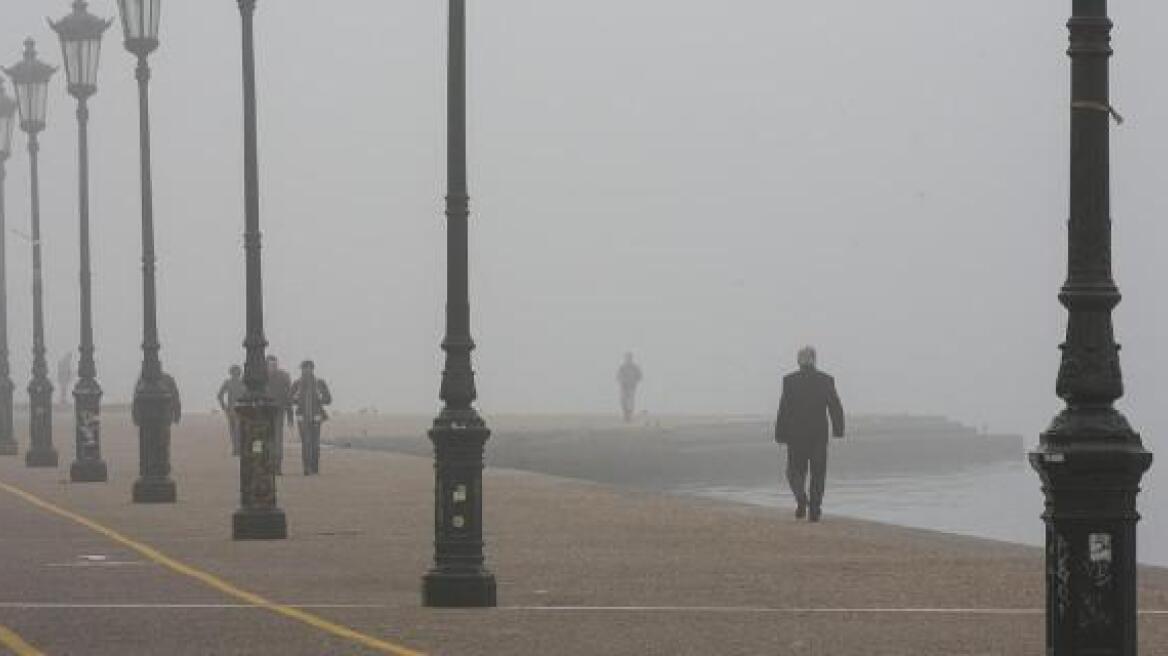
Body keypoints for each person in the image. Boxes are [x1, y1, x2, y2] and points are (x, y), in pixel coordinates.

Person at [774, 346, 844, 522]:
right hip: (818, 435)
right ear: (815, 359)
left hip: (795, 435)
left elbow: (784, 409)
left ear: (799, 360)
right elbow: (835, 406)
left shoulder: (790, 381)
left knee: (795, 472)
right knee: (818, 473)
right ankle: (814, 509)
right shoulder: (825, 380)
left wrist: (780, 433)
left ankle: (801, 499)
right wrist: (838, 429)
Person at [290, 360, 331, 475]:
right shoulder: (297, 384)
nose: (306, 371)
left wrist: (320, 398)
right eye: (304, 369)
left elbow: (328, 399)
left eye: (308, 368)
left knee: (313, 443)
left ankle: (313, 466)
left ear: (312, 369)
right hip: (302, 417)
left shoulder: (319, 383)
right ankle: (308, 467)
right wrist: (296, 399)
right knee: (307, 443)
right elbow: (290, 398)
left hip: (315, 417)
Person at [265, 355, 293, 475]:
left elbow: (289, 397)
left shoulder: (284, 376)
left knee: (277, 440)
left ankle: (277, 467)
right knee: (263, 440)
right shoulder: (259, 377)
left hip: (278, 412)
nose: (273, 367)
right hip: (263, 413)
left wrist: (290, 415)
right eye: (271, 365)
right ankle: (266, 465)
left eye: (274, 365)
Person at [216, 365, 246, 456]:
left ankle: (237, 449)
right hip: (234, 410)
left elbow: (220, 396)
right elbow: (220, 396)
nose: (236, 375)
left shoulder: (239, 383)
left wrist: (224, 407)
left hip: (236, 410)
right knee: (235, 430)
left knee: (236, 430)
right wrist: (224, 407)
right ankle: (237, 448)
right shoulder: (233, 383)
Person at [616, 352, 643, 423]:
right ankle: (625, 414)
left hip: (631, 387)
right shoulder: (622, 367)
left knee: (630, 402)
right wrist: (622, 381)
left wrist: (634, 381)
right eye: (627, 357)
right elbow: (618, 376)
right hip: (624, 387)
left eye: (629, 357)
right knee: (623, 401)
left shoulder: (635, 367)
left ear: (631, 358)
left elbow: (639, 376)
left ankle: (630, 415)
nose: (628, 359)